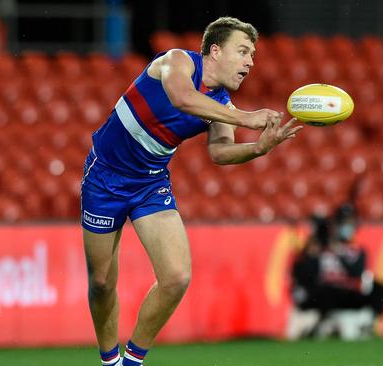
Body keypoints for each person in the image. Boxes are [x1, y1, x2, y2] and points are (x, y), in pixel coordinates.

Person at [81, 17, 301, 366]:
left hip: (150, 182)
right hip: (104, 179)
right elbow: (182, 98)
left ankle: (131, 361)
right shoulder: (177, 61)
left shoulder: (222, 105)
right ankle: (108, 360)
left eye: (253, 55)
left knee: (177, 277)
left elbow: (220, 153)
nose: (250, 62)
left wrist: (260, 148)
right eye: (243, 51)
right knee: (102, 281)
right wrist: (246, 119)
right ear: (215, 50)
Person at [288, 204, 383, 340]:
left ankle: (369, 322)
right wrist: (315, 251)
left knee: (381, 288)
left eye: (350, 222)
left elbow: (356, 272)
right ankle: (320, 323)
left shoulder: (357, 250)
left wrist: (339, 253)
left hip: (347, 292)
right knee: (325, 291)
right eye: (344, 222)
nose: (347, 226)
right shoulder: (320, 246)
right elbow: (305, 272)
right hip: (325, 292)